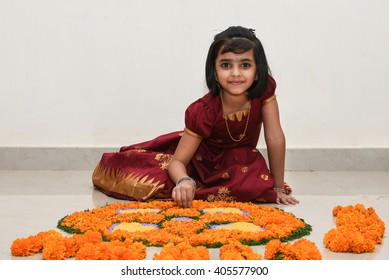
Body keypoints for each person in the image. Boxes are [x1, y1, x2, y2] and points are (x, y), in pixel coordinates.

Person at [92, 26, 299, 208]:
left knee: (258, 182)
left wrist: (278, 187)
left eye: (245, 65)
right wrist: (184, 181)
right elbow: (177, 162)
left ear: (258, 71)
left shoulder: (264, 92)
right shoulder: (204, 110)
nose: (236, 73)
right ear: (214, 71)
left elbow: (274, 137)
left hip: (241, 163)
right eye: (226, 65)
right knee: (148, 179)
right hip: (199, 162)